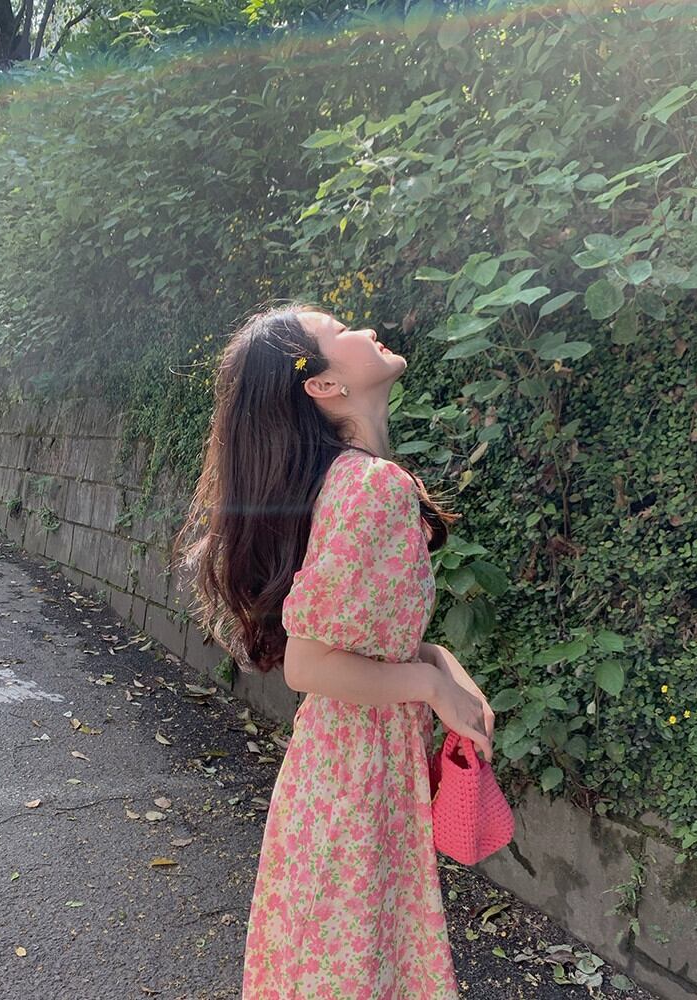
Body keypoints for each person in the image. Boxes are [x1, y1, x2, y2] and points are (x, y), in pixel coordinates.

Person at [171, 301, 495, 999]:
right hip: (356, 780)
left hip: (341, 773)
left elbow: (365, 642)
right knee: (355, 972)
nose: (366, 329)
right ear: (322, 384)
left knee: (329, 965)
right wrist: (430, 687)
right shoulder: (371, 486)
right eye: (341, 331)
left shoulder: (353, 481)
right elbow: (309, 664)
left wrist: (438, 663)